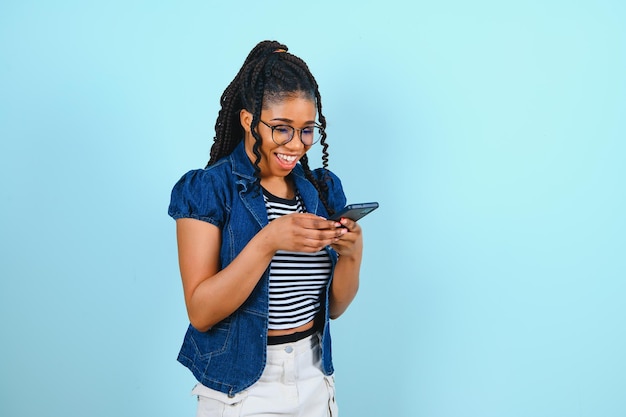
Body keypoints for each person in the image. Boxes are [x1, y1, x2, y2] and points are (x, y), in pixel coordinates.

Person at [168, 40, 363, 416]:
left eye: (307, 130)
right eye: (281, 129)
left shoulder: (323, 190)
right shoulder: (209, 190)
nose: (296, 144)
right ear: (247, 120)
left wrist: (353, 253)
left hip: (313, 377)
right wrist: (269, 241)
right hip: (241, 389)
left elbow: (334, 307)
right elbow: (201, 310)